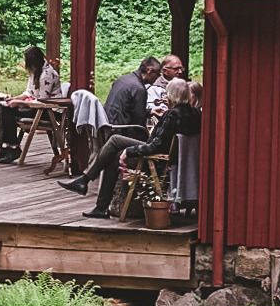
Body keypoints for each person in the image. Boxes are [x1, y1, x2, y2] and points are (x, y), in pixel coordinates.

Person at [58, 79, 201, 218]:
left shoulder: (172, 114)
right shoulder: (195, 114)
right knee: (114, 148)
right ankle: (90, 190)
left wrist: (129, 151)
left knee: (114, 144)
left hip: (156, 160)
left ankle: (91, 191)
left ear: (172, 95)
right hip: (177, 161)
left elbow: (155, 146)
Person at [0, 45, 62, 164]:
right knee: (6, 108)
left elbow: (42, 101)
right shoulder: (36, 71)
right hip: (39, 108)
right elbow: (29, 92)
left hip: (50, 111)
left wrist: (18, 102)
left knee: (10, 111)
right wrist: (14, 98)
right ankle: (6, 146)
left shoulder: (47, 74)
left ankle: (13, 147)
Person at [105, 57, 160, 131]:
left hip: (106, 126)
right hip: (119, 132)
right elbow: (139, 122)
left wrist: (150, 111)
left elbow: (128, 109)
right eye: (157, 74)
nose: (158, 77)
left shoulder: (122, 79)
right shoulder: (139, 89)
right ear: (149, 71)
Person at [146, 55, 185, 119]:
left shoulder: (183, 84)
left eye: (181, 68)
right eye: (176, 69)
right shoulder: (155, 88)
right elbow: (153, 109)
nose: (180, 72)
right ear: (165, 71)